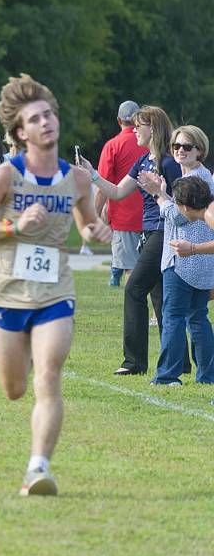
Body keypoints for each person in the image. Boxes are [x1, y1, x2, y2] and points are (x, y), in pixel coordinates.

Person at [0, 73, 111, 496]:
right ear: (20, 132)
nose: (46, 122)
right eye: (35, 119)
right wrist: (13, 224)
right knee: (14, 388)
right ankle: (20, 352)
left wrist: (98, 232)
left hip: (53, 291)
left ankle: (37, 468)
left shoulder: (78, 180)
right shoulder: (6, 176)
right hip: (7, 289)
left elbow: (87, 223)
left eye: (49, 115)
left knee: (49, 374)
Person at [78, 106, 179, 375]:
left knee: (134, 289)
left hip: (163, 232)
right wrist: (94, 175)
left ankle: (134, 363)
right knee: (160, 299)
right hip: (148, 234)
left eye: (139, 125)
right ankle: (178, 363)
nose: (134, 129)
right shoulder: (143, 161)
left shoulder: (168, 163)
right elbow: (118, 192)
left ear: (153, 129)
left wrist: (160, 191)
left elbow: (181, 206)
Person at [141, 176, 214, 385]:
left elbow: (175, 216)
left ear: (184, 206)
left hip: (183, 266)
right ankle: (208, 376)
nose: (180, 151)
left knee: (173, 317)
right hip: (204, 268)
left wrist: (157, 194)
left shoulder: (205, 211)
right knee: (199, 318)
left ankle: (167, 375)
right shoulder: (205, 197)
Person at [95, 101, 147, 287]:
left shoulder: (112, 145)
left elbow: (102, 183)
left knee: (131, 269)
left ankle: (135, 314)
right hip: (154, 216)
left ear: (119, 120)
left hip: (124, 217)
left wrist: (95, 213)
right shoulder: (151, 143)